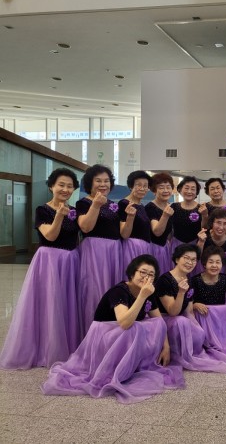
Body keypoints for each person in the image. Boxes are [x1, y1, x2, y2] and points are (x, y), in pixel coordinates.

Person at [42, 255, 184, 404]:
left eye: (151, 274)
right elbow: (124, 323)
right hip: (104, 335)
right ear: (132, 273)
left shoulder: (149, 292)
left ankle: (135, 366)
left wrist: (166, 346)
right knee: (135, 327)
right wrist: (142, 296)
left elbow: (159, 321)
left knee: (153, 323)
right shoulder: (120, 291)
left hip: (123, 334)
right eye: (143, 272)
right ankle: (118, 371)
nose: (146, 277)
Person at [0, 168, 81, 369]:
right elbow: (50, 236)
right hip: (50, 260)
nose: (65, 189)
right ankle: (48, 348)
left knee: (66, 303)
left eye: (69, 186)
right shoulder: (42, 210)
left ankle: (67, 345)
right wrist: (59, 216)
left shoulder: (74, 211)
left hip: (71, 260)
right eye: (61, 185)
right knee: (49, 303)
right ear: (51, 186)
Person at [154, 244, 226, 373]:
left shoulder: (188, 280)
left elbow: (189, 311)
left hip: (181, 319)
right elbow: (172, 312)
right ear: (177, 259)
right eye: (186, 258)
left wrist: (197, 329)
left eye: (193, 260)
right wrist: (181, 292)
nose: (190, 262)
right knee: (181, 321)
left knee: (199, 332)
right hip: (165, 321)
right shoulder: (165, 280)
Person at [76, 164, 123, 333]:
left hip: (114, 251)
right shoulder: (84, 203)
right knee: (95, 291)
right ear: (90, 183)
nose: (103, 184)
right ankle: (94, 333)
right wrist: (95, 205)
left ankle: (112, 333)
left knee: (113, 290)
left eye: (106, 181)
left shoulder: (113, 204)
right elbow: (85, 227)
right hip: (95, 251)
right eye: (98, 181)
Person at [119, 170, 153, 276]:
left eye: (145, 186)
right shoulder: (124, 204)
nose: (142, 189)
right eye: (138, 185)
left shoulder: (142, 206)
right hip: (131, 247)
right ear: (131, 186)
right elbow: (124, 233)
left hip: (144, 247)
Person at [145, 172, 174, 274]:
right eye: (161, 187)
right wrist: (165, 215)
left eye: (168, 187)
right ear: (154, 190)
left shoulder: (170, 206)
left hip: (165, 248)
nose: (165, 190)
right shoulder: (150, 207)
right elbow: (157, 232)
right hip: (154, 248)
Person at [170, 176, 203, 268]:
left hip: (195, 245)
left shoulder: (201, 208)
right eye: (186, 188)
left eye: (193, 189)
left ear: (196, 192)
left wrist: (204, 215)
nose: (189, 191)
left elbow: (204, 229)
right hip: (177, 245)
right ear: (180, 189)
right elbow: (169, 229)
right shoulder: (173, 207)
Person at [197, 208, 226, 277]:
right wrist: (201, 242)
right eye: (218, 223)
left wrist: (224, 279)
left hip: (224, 272)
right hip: (203, 270)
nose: (221, 227)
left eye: (225, 224)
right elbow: (197, 258)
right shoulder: (204, 236)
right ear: (212, 223)